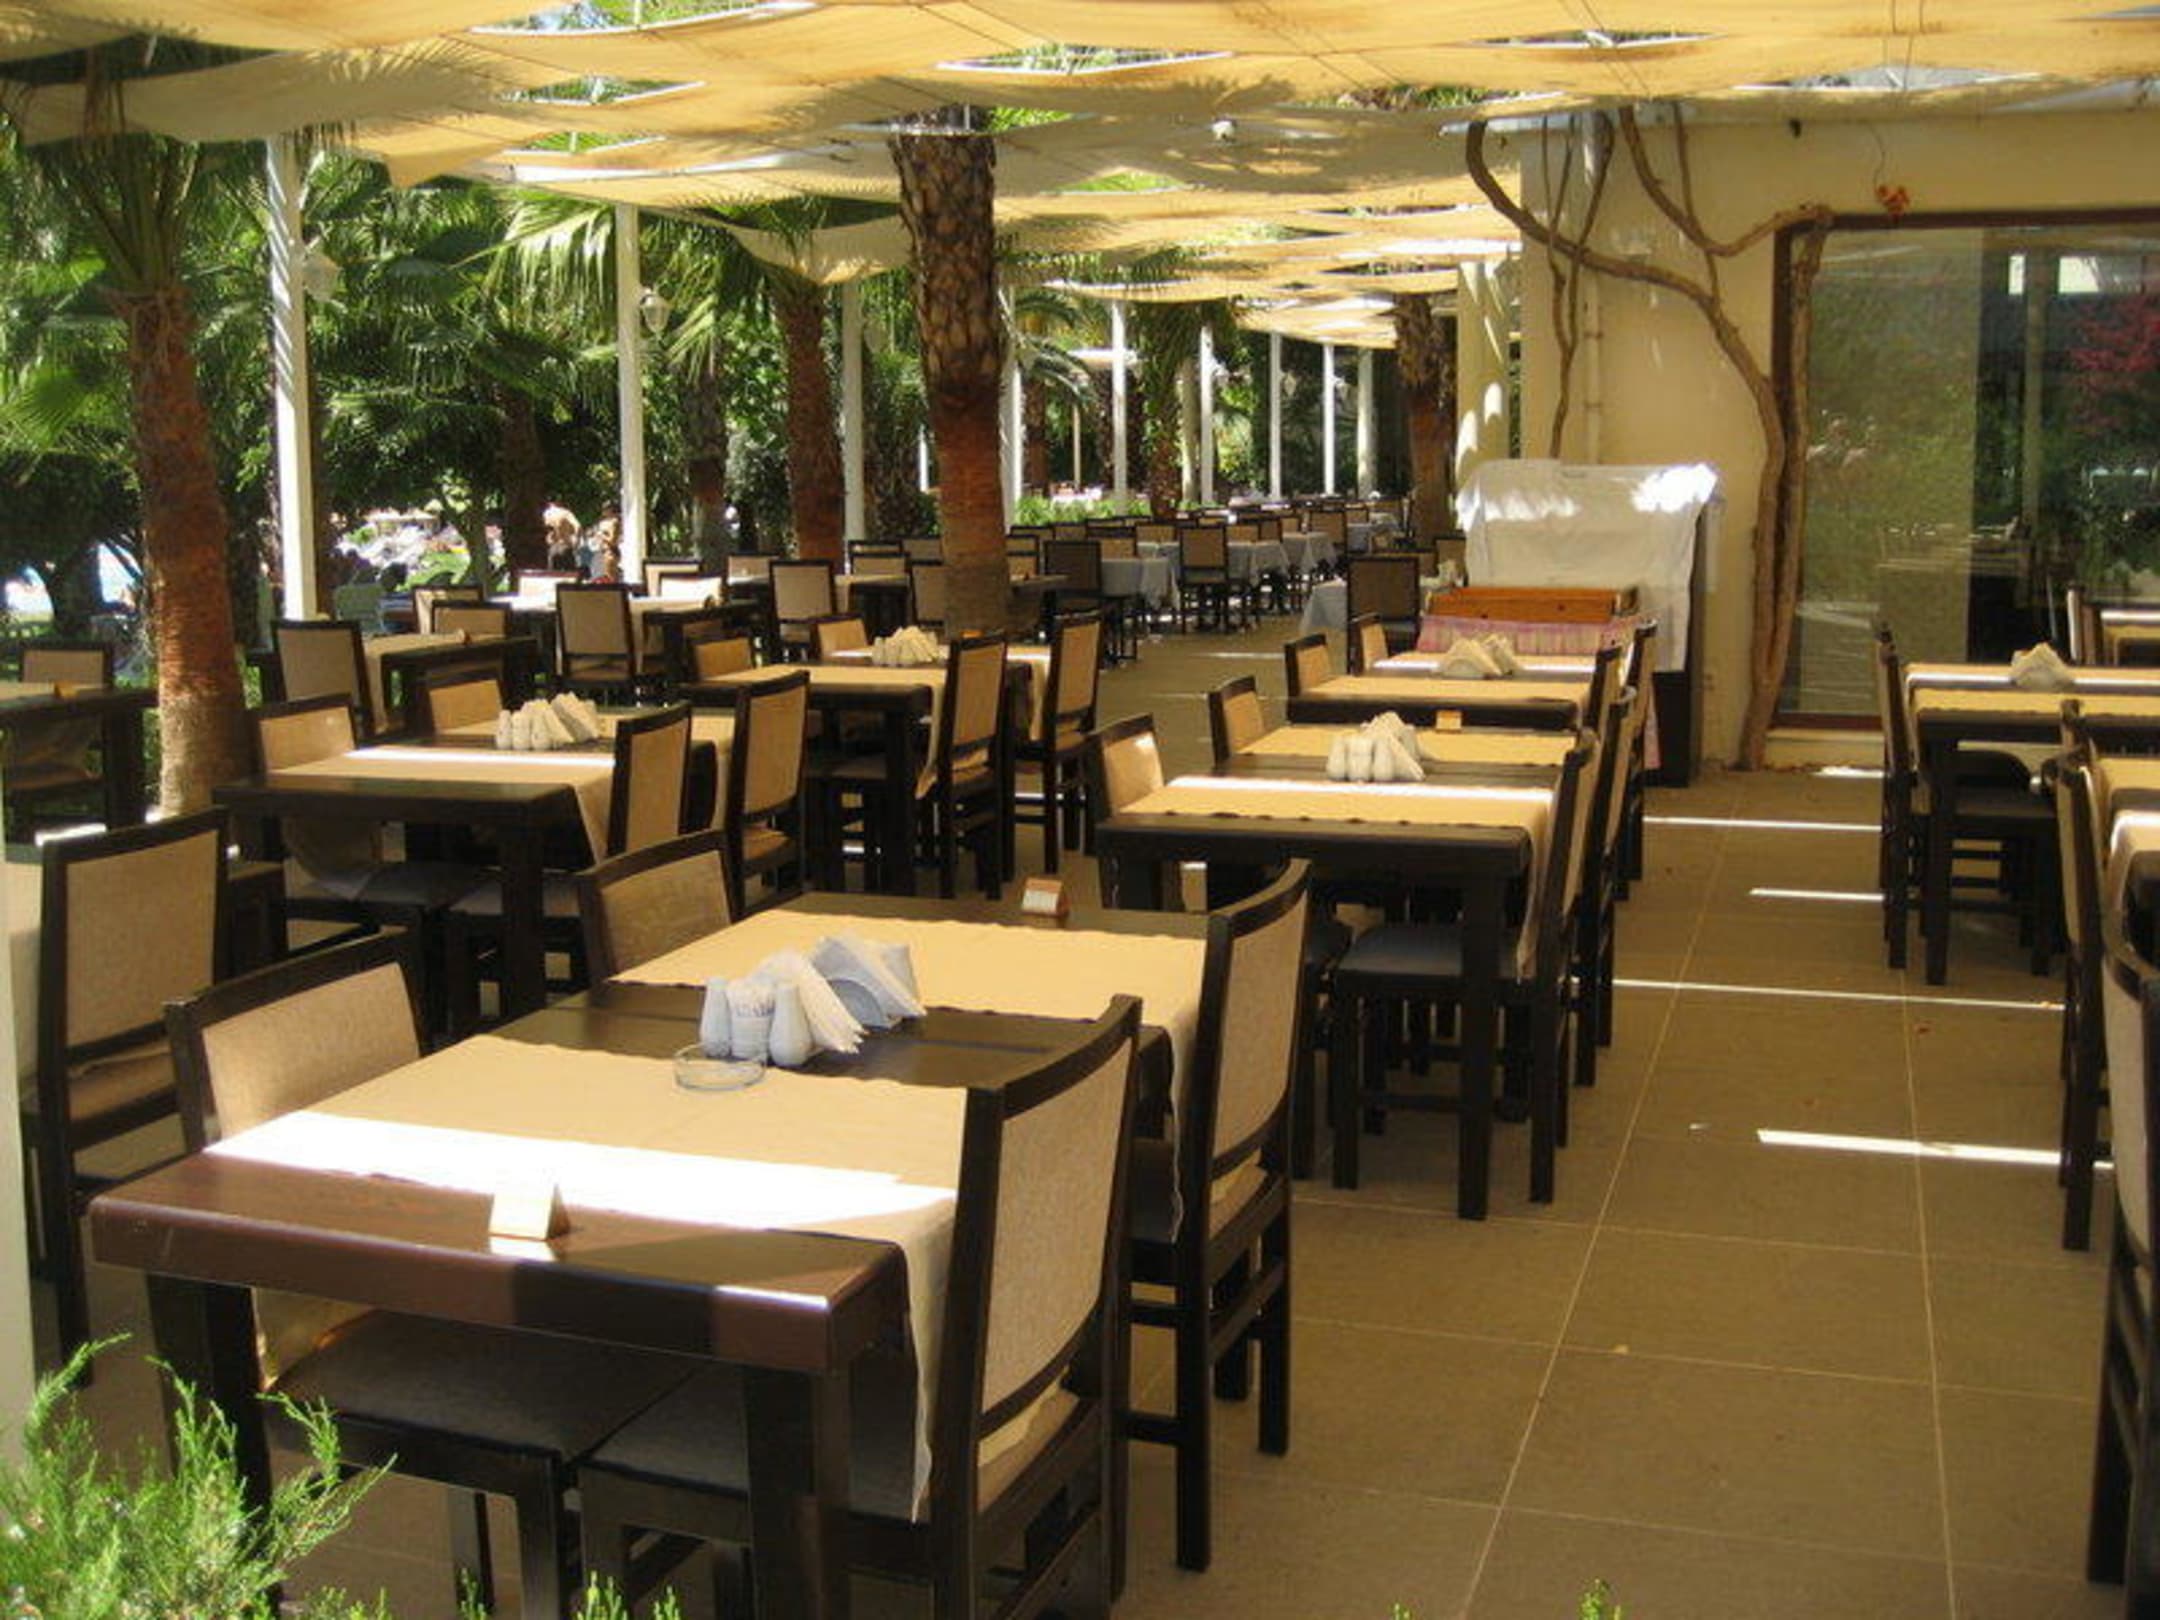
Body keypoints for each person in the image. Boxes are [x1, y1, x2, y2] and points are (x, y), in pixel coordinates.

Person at [542, 498, 582, 572]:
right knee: (570, 574)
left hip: (553, 547)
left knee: (554, 575)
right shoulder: (565, 513)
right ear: (558, 502)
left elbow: (548, 529)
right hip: (565, 546)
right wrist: (577, 539)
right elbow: (578, 526)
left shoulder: (546, 514)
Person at [590, 501, 622, 583]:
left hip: (610, 551)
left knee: (611, 577)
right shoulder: (604, 522)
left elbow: (613, 540)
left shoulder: (614, 522)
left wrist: (602, 536)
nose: (603, 510)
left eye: (606, 508)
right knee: (606, 577)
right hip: (603, 551)